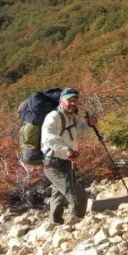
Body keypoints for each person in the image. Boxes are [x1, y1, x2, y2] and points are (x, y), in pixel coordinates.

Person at [41, 88, 97, 225]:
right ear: (61, 101)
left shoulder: (72, 117)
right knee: (78, 195)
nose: (72, 103)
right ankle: (77, 222)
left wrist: (90, 123)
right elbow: (48, 137)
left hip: (66, 162)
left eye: (75, 101)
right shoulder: (53, 117)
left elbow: (82, 128)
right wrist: (66, 149)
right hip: (52, 164)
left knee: (58, 193)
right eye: (69, 100)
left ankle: (55, 223)